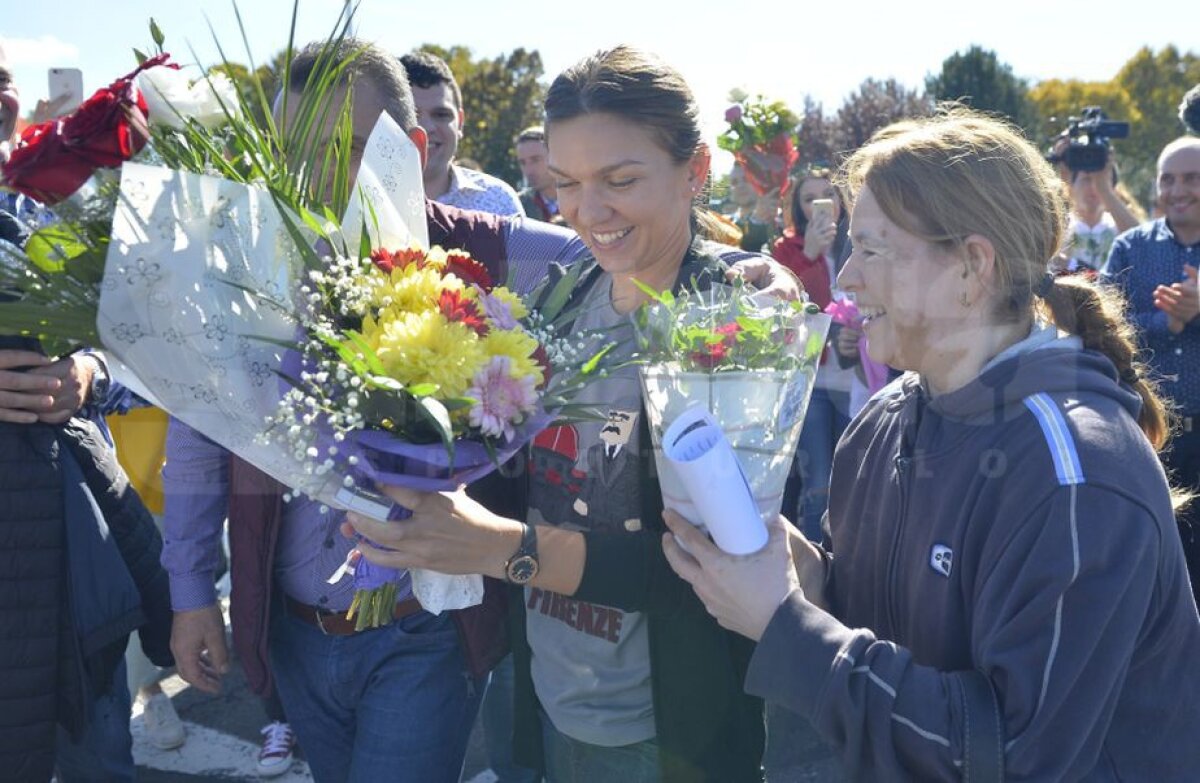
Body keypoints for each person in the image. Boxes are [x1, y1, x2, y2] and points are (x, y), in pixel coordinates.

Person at [163, 38, 795, 783]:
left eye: (351, 148)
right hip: (457, 669)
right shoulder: (251, 266)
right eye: (565, 181)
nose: (320, 175)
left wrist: (744, 270)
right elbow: (199, 426)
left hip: (586, 691)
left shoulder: (505, 264)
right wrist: (191, 589)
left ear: (412, 148)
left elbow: (715, 563)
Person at [662, 110, 1200, 781]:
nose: (849, 278)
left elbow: (1012, 757)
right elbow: (886, 625)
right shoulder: (881, 422)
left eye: (875, 248)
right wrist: (813, 580)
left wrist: (788, 628)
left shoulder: (1078, 476)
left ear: (973, 267)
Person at [344, 45, 776, 783]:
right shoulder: (567, 289)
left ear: (696, 171)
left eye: (621, 180)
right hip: (547, 699)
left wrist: (500, 548)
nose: (587, 212)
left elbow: (723, 569)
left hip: (664, 730)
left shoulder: (735, 320)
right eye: (568, 182)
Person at [1104, 136, 1200, 601]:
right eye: (1168, 178)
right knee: (1152, 565)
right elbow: (1101, 329)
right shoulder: (1129, 249)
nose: (1177, 189)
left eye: (1191, 178)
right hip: (1148, 435)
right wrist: (1168, 322)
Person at [771, 165, 857, 540]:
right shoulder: (786, 250)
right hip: (813, 381)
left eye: (829, 195)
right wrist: (808, 255)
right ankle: (814, 562)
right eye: (810, 199)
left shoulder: (860, 244)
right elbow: (798, 310)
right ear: (798, 207)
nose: (822, 205)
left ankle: (849, 558)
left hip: (860, 380)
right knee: (819, 481)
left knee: (855, 478)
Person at [399, 51, 524, 217]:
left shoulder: (498, 202)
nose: (426, 127)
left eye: (441, 115)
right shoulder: (359, 200)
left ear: (460, 122)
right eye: (412, 115)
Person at [515, 126, 561, 224]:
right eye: (523, 163)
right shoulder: (517, 207)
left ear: (556, 156)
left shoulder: (584, 199)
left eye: (535, 160)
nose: (529, 170)